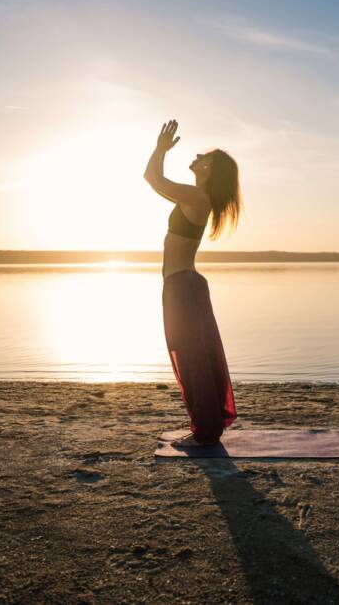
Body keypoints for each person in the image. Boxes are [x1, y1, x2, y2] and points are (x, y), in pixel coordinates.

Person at [143, 119, 242, 447]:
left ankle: (205, 432)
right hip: (183, 285)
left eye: (206, 157)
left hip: (183, 286)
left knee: (192, 356)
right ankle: (205, 427)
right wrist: (159, 153)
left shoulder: (198, 197)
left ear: (211, 171)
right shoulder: (195, 196)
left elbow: (152, 179)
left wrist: (160, 150)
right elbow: (154, 180)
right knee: (193, 355)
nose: (198, 155)